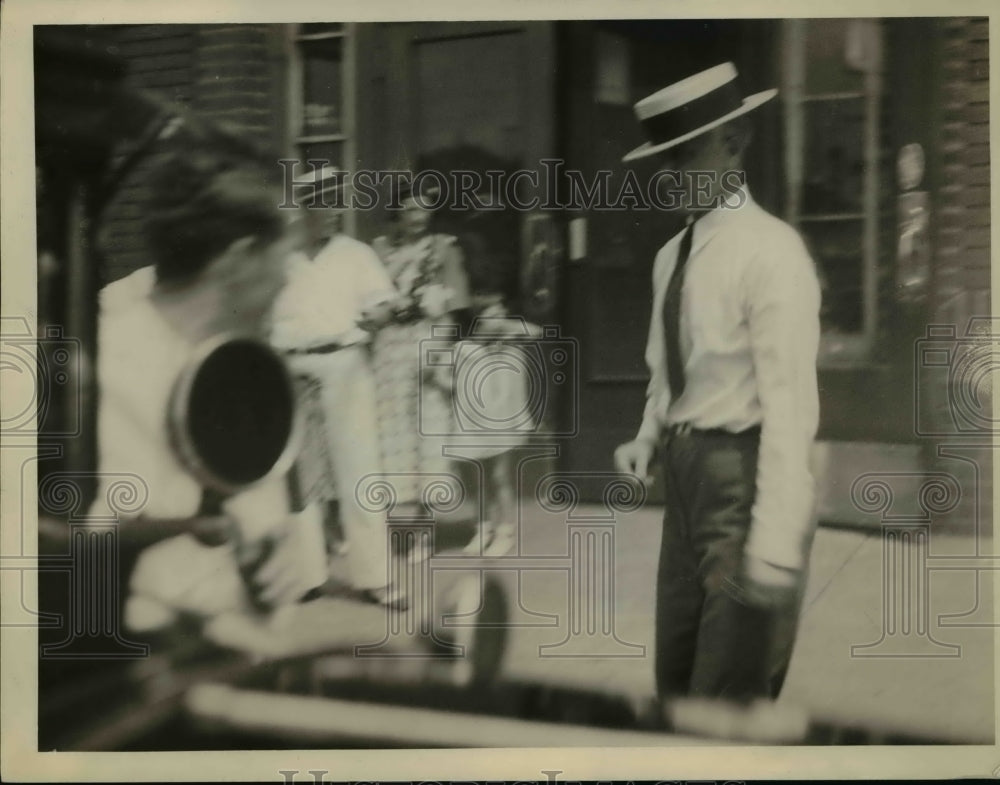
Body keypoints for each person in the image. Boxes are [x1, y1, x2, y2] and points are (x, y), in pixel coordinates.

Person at [613, 63, 821, 703]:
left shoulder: (771, 252)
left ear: (735, 143)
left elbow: (790, 409)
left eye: (687, 155)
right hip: (684, 478)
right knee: (675, 672)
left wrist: (776, 541)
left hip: (742, 476)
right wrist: (647, 434)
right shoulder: (669, 257)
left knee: (727, 682)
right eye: (663, 161)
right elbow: (666, 368)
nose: (672, 175)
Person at [88, 139, 328, 634]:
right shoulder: (99, 371)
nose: (291, 281)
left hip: (233, 671)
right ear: (240, 261)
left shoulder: (246, 368)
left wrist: (277, 559)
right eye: (286, 257)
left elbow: (264, 526)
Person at [270, 165, 403, 607]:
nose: (325, 212)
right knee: (299, 476)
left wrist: (378, 316)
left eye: (331, 203)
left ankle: (376, 576)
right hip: (291, 367)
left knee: (359, 469)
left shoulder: (355, 254)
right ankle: (307, 575)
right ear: (299, 208)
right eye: (315, 203)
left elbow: (383, 303)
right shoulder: (280, 256)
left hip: (345, 364)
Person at [368, 179, 472, 512]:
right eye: (410, 207)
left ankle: (427, 520)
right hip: (390, 347)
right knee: (392, 428)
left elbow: (455, 305)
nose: (417, 214)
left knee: (429, 427)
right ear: (397, 211)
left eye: (423, 206)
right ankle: (401, 515)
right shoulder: (381, 251)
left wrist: (439, 349)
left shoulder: (443, 248)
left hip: (429, 339)